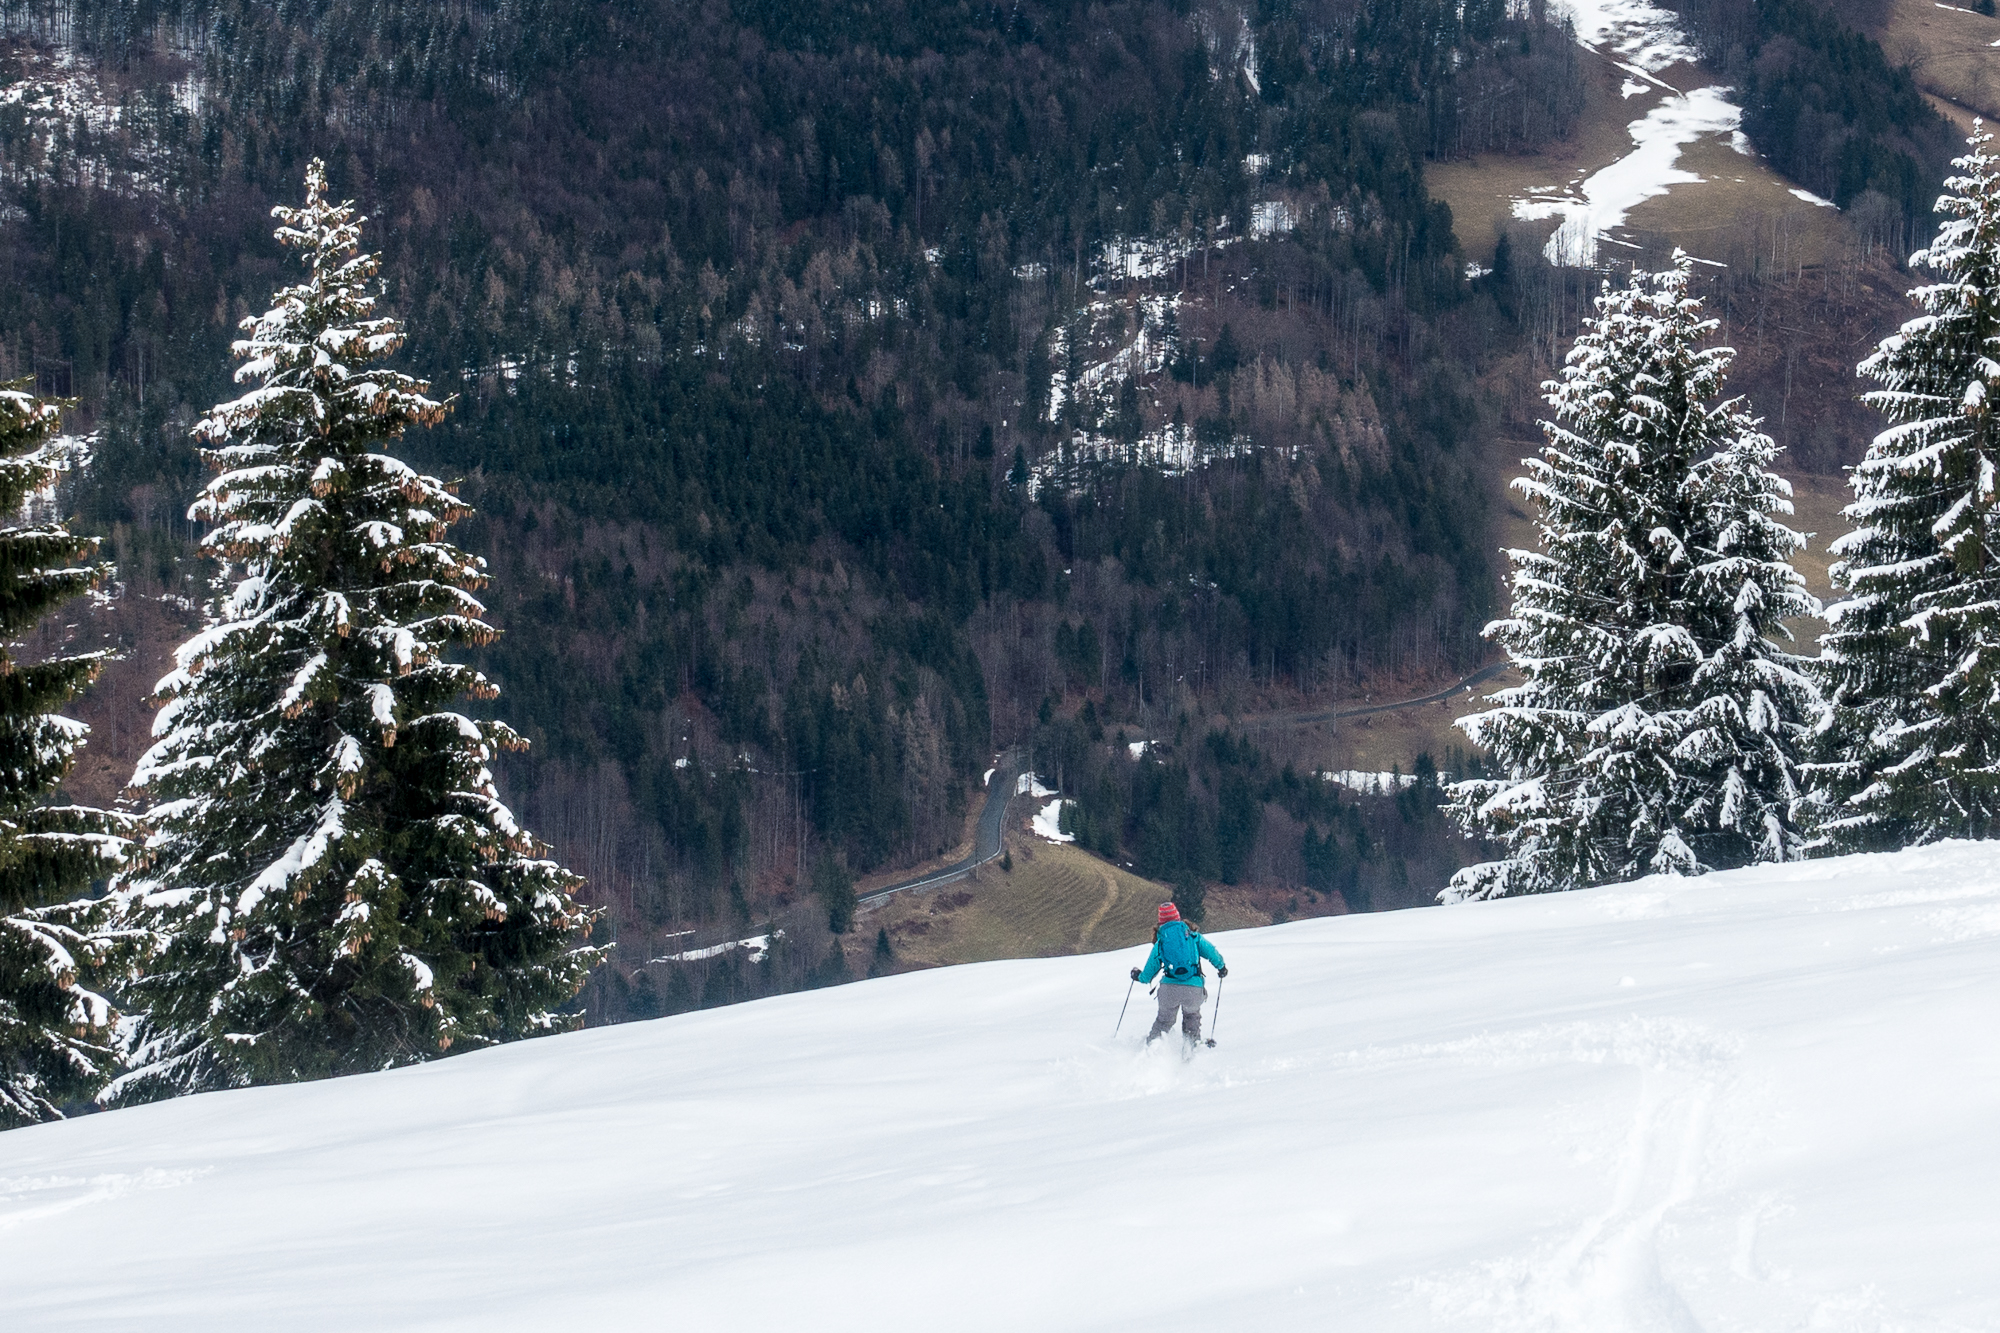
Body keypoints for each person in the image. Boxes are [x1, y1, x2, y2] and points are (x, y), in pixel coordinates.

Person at [1131, 901, 1226, 1047]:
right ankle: (1190, 1052)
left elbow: (1149, 973)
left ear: (1161, 922)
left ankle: (1150, 1052)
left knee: (1163, 1022)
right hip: (1193, 988)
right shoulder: (1194, 936)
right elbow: (1211, 952)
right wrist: (1221, 967)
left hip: (1169, 989)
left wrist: (1139, 976)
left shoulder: (1161, 942)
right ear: (1178, 917)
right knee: (1192, 1018)